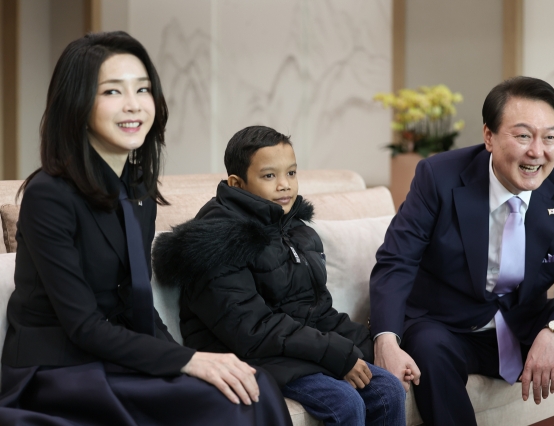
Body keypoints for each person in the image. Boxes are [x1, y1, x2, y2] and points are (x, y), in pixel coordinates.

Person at [0, 32, 292, 426]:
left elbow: (136, 305)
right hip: (57, 370)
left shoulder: (137, 190)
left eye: (143, 89)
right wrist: (187, 359)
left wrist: (187, 359)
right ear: (77, 102)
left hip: (118, 356)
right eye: (112, 92)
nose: (134, 105)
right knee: (229, 405)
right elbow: (83, 325)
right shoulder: (48, 194)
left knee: (255, 385)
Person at [369, 76, 554, 425]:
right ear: (489, 136)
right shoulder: (439, 177)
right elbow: (396, 261)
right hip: (450, 329)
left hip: (525, 325)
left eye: (549, 137)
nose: (537, 151)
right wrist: (385, 338)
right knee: (429, 347)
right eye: (523, 135)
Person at [152, 125, 406, 426]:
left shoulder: (296, 230)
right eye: (269, 176)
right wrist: (337, 353)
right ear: (237, 183)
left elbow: (318, 312)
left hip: (294, 352)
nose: (284, 185)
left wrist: (376, 348)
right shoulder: (217, 239)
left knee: (388, 390)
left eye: (292, 173)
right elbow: (251, 329)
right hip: (245, 356)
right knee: (344, 401)